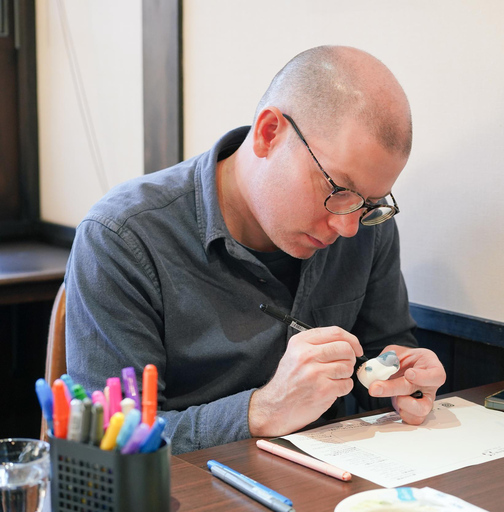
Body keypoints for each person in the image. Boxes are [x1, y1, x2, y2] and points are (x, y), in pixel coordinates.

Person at [65, 46, 446, 454]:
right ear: (269, 134)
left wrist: (401, 378)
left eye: (370, 203)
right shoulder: (123, 238)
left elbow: (383, 347)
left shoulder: (362, 225)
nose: (348, 226)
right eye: (338, 190)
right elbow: (107, 440)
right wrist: (260, 411)